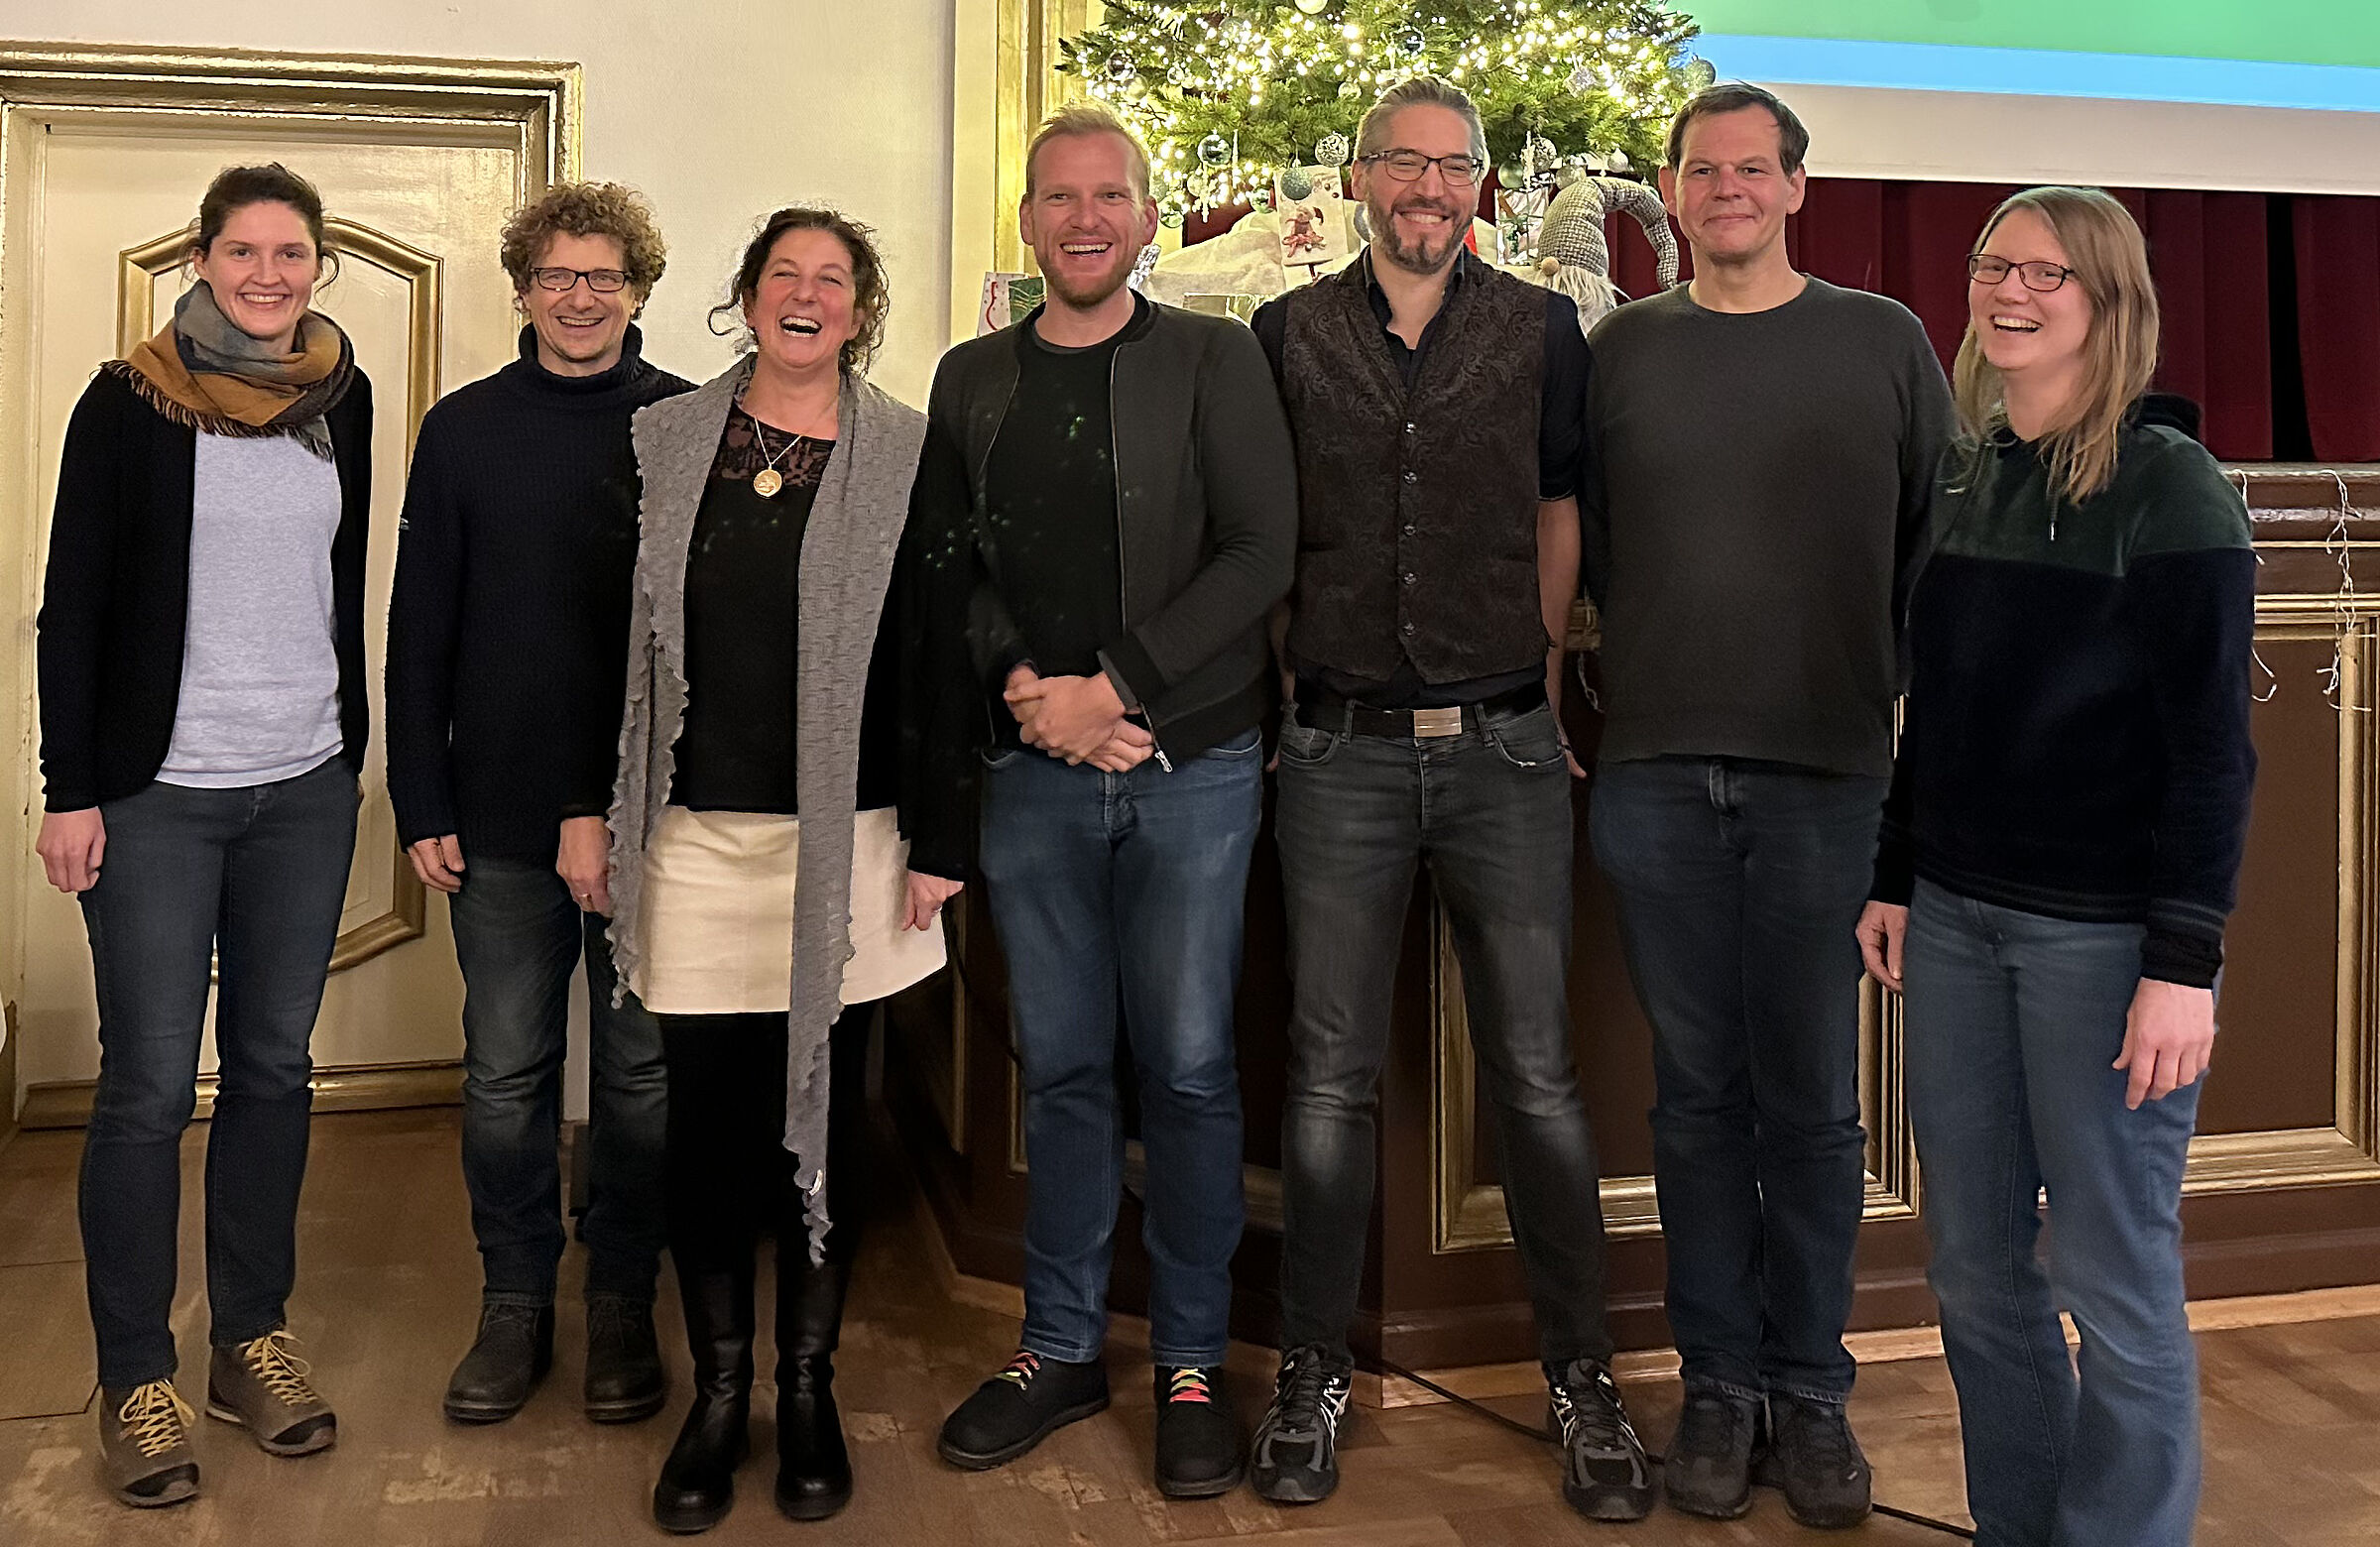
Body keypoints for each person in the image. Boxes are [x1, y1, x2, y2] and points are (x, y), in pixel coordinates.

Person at [1248, 74, 1653, 1522]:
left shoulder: (1543, 330)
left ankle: (1582, 1381)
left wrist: (1540, 683)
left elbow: (1562, 509)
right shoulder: (1284, 334)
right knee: (1326, 1078)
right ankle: (1310, 1375)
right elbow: (1265, 527)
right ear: (1360, 182)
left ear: (1484, 191)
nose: (1427, 189)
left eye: (1452, 169)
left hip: (1504, 749)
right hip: (1339, 751)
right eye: (1401, 165)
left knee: (1538, 1081)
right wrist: (1301, 692)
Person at [1856, 186, 2255, 1547]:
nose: (2008, 291)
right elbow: (1944, 710)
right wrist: (1898, 871)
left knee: (2112, 1274)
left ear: (2110, 303)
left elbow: (2213, 759)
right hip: (1959, 926)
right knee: (1973, 1272)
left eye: (2046, 273)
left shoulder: (2170, 487)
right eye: (1991, 266)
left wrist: (2181, 969)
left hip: (2102, 950)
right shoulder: (1977, 473)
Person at [1581, 82, 1953, 1527]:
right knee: (1694, 1101)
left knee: (1808, 1104)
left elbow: (1937, 544)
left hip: (1828, 779)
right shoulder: (1622, 353)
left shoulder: (1884, 342)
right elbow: (1592, 547)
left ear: (1798, 188)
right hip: (1660, 772)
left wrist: (1874, 699)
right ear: (1668, 196)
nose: (1726, 189)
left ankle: (1811, 1391)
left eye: (1754, 169)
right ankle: (1716, 1388)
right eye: (1700, 170)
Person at [914, 101, 1297, 1498]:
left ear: (1149, 217)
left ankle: (1192, 1361)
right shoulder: (974, 376)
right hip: (1033, 775)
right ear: (1029, 222)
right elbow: (952, 565)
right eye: (1058, 197)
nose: (1084, 218)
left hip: (1187, 768)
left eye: (1109, 196)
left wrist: (1117, 692)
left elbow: (1262, 552)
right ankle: (1061, 1345)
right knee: (1064, 1069)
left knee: (1192, 1070)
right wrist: (1031, 690)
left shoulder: (1214, 357)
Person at [583, 206, 953, 1532]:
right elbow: (613, 643)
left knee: (835, 1126)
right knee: (706, 1129)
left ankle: (809, 1387)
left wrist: (944, 843)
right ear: (744, 299)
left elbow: (940, 649)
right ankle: (720, 1392)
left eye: (833, 281)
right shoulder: (667, 440)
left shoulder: (909, 451)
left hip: (851, 840)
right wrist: (592, 812)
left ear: (861, 310)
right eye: (783, 277)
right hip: (690, 838)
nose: (807, 297)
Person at [35, 163, 372, 1508]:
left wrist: (349, 752)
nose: (270, 273)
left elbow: (340, 584)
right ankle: (135, 1377)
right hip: (156, 797)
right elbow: (75, 607)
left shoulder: (338, 405)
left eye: (293, 253)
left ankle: (249, 1342)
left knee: (278, 1071)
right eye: (245, 251)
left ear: (318, 266)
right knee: (148, 1089)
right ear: (203, 258)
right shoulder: (124, 406)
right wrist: (70, 791)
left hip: (302, 789)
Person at [386, 182, 691, 1428]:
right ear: (521, 288)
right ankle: (515, 1299)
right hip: (495, 812)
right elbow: (419, 630)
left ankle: (620, 1295)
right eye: (558, 276)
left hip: (648, 813)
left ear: (637, 291)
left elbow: (692, 639)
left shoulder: (683, 426)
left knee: (639, 1075)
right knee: (509, 1072)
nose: (580, 298)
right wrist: (420, 792)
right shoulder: (461, 430)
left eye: (604, 278)